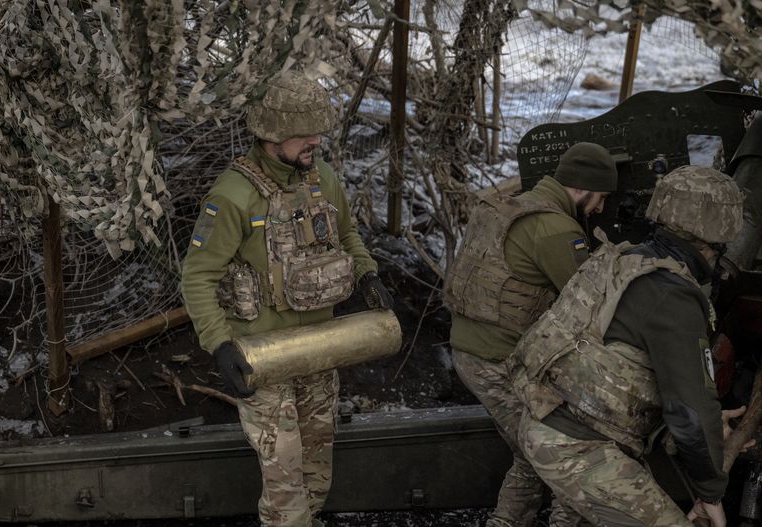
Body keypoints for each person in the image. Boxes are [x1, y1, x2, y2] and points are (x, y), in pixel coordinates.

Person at [181, 70, 393, 527]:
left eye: (317, 131)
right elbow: (197, 278)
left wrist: (367, 274)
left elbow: (348, 235)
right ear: (272, 135)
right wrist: (220, 346)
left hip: (321, 350)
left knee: (317, 467)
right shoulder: (232, 197)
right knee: (284, 480)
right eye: (302, 134)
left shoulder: (322, 179)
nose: (313, 141)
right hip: (265, 359)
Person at [509, 165, 748, 527]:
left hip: (543, 419)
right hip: (577, 447)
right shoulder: (675, 297)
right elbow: (689, 411)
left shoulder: (621, 259)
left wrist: (711, 426)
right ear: (714, 243)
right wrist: (711, 492)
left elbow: (623, 365)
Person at [443, 142, 618, 527]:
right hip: (499, 362)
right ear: (581, 188)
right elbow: (587, 305)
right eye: (600, 198)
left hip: (471, 351)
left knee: (533, 451)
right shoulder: (557, 230)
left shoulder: (502, 206)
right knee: (564, 453)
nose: (601, 209)